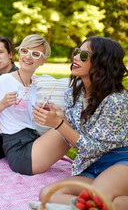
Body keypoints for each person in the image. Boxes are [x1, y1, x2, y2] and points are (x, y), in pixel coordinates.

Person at [36, 37, 128, 209]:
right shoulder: (74, 92)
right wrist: (60, 116)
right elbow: (75, 134)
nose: (76, 57)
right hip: (90, 165)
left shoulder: (117, 100)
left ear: (102, 63)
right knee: (47, 194)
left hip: (119, 161)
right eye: (77, 51)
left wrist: (58, 124)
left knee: (97, 199)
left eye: (84, 55)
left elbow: (94, 147)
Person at [0, 34, 70, 175]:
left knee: (69, 120)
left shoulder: (39, 84)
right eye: (25, 51)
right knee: (70, 126)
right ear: (19, 53)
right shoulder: (3, 81)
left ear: (43, 61)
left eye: (35, 54)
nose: (28, 56)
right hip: (19, 150)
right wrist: (1, 104)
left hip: (35, 140)